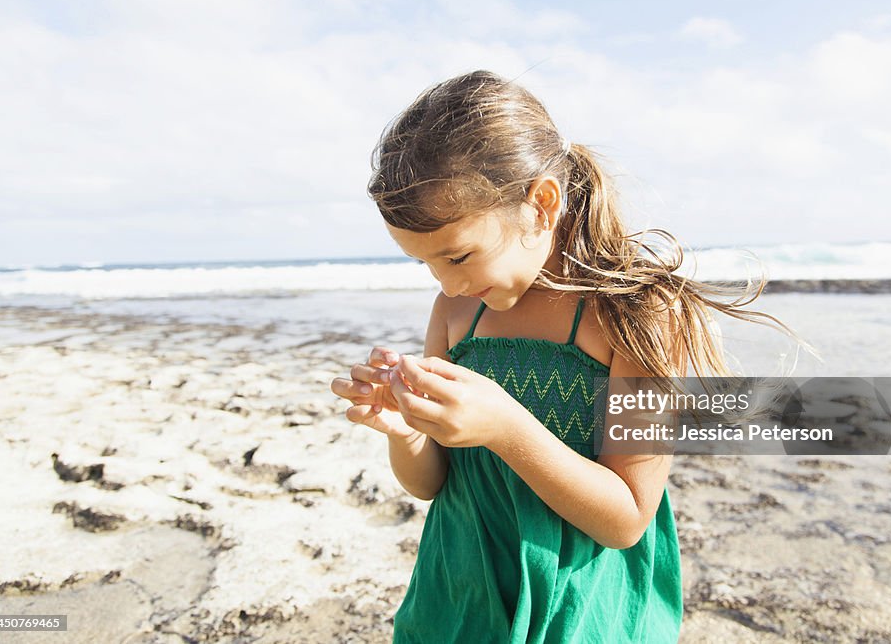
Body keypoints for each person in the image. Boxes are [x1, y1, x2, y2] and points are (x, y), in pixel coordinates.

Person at [330, 70, 795, 643]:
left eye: (458, 257)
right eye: (425, 265)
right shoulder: (456, 314)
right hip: (460, 598)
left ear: (541, 204)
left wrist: (505, 427)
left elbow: (626, 517)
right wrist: (406, 433)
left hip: (578, 610)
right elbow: (431, 484)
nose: (446, 285)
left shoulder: (636, 315)